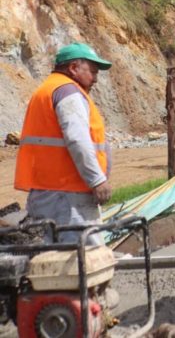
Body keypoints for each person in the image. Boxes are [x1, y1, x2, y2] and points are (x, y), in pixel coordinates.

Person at [15, 42, 113, 246]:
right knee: (84, 259)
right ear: (74, 68)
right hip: (69, 197)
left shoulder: (46, 90)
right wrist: (96, 180)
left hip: (45, 193)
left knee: (50, 259)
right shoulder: (69, 93)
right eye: (92, 72)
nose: (95, 78)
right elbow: (77, 139)